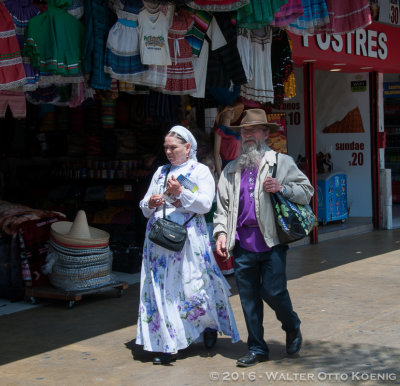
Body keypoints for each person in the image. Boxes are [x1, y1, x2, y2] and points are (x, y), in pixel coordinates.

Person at [213, 109, 314, 368]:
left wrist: (283, 188)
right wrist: (222, 234)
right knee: (248, 299)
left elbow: (307, 192)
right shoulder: (231, 169)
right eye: (244, 131)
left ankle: (292, 325)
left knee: (273, 291)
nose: (248, 135)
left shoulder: (280, 162)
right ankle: (257, 348)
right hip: (242, 245)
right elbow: (222, 208)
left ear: (265, 134)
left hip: (272, 242)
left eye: (254, 130)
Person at [136, 125, 240, 365]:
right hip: (158, 243)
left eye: (173, 147)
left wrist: (181, 192)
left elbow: (205, 204)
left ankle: (207, 325)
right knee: (163, 291)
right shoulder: (161, 172)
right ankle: (167, 342)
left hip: (187, 239)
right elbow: (144, 207)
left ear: (187, 147)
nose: (169, 152)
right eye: (166, 148)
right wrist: (150, 202)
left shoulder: (200, 171)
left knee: (192, 285)